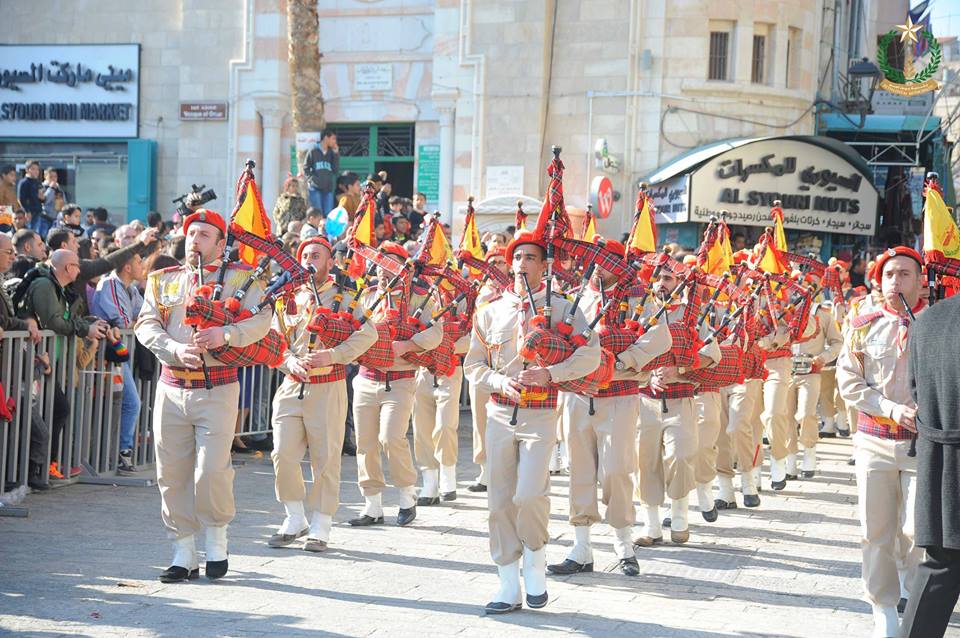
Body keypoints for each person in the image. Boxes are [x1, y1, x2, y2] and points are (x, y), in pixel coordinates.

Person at [464, 231, 600, 615]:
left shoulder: (563, 309)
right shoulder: (489, 311)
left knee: (529, 495)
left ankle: (535, 563)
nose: (522, 263)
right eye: (517, 257)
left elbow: (591, 355)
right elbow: (473, 365)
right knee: (499, 501)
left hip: (541, 413)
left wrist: (551, 374)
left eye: (530, 257)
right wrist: (498, 381)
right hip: (498, 413)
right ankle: (508, 584)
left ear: (544, 266)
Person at [135, 209, 272, 583]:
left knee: (211, 469)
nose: (194, 240)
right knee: (171, 473)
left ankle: (216, 539)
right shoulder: (164, 279)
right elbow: (146, 324)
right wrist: (173, 349)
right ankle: (183, 551)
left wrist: (226, 334)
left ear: (221, 243)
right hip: (172, 386)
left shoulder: (242, 278)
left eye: (204, 235)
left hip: (218, 387)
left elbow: (261, 320)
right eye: (191, 233)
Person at [548, 238, 671, 578]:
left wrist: (621, 361)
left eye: (607, 262)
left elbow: (660, 338)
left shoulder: (640, 298)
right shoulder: (575, 298)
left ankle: (623, 544)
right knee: (579, 470)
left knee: (617, 470)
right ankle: (581, 548)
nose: (599, 268)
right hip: (578, 396)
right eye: (596, 261)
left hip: (619, 393)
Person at [837, 247, 926, 638]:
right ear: (879, 280)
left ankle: (914, 590)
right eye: (889, 274)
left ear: (921, 280)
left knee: (918, 529)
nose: (896, 281)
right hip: (875, 439)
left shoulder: (938, 323)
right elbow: (849, 382)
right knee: (876, 529)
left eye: (905, 274)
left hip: (924, 444)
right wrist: (890, 408)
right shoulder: (862, 324)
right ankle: (884, 608)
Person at [268, 238, 377, 552]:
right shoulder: (288, 297)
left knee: (325, 458)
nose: (308, 260)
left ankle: (321, 524)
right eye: (304, 255)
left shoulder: (347, 297)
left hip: (328, 384)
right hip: (291, 384)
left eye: (316, 255)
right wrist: (287, 361)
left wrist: (334, 355)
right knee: (282, 454)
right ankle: (294, 516)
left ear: (331, 262)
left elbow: (368, 334)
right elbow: (275, 338)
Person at [349, 242, 443, 528]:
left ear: (403, 269)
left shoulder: (419, 299)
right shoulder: (366, 296)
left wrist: (409, 344)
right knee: (365, 443)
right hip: (366, 378)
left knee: (391, 438)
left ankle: (406, 495)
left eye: (390, 263)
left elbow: (436, 333)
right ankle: (372, 505)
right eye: (379, 263)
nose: (383, 269)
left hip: (400, 379)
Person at [633, 263, 720, 547]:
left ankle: (680, 516)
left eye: (668, 278)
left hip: (681, 399)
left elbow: (711, 354)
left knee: (681, 457)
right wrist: (648, 375)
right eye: (658, 277)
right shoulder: (640, 311)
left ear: (679, 283)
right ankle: (651, 525)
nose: (661, 283)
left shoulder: (692, 315)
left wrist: (679, 370)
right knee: (645, 462)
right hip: (644, 400)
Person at [900, 274, 960, 637]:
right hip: (942, 453)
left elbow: (917, 391)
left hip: (941, 465)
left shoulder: (928, 321)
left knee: (939, 567)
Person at [91, 251, 146, 474]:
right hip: (105, 355)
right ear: (127, 267)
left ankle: (116, 454)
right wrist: (136, 321)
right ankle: (122, 453)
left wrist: (137, 321)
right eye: (139, 261)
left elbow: (148, 316)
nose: (143, 265)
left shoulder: (130, 289)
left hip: (119, 353)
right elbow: (123, 322)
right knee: (131, 403)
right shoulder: (110, 284)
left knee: (125, 404)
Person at [303, 130, 339, 214]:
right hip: (315, 188)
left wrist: (336, 154)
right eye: (333, 138)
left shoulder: (331, 153)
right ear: (326, 138)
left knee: (328, 213)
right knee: (318, 213)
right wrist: (312, 179)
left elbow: (335, 170)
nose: (335, 141)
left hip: (328, 189)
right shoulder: (313, 151)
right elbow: (306, 167)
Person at [17, 161, 47, 237]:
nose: (36, 171)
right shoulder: (24, 182)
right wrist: (27, 211)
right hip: (30, 213)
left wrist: (42, 198)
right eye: (33, 169)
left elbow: (42, 199)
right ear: (27, 170)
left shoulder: (38, 182)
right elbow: (21, 199)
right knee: (29, 234)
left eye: (37, 169)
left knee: (37, 234)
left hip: (38, 211)